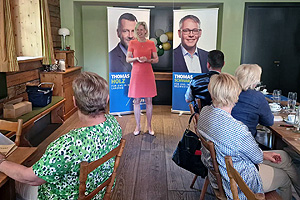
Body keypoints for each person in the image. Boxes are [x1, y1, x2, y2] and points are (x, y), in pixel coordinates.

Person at [0, 72, 122, 199]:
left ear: (75, 102)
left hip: (60, 196)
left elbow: (30, 178)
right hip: (98, 193)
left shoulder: (68, 144)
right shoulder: (113, 124)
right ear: (107, 98)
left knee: (15, 183)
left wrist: (1, 163)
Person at [198, 73, 300, 200]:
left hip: (217, 174)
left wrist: (264, 154)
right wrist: (261, 154)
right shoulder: (237, 129)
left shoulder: (205, 112)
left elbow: (253, 154)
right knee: (284, 178)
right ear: (235, 96)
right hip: (236, 180)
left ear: (212, 92)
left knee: (284, 157)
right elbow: (256, 158)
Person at [126, 21, 158, 136]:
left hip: (148, 73)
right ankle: (138, 126)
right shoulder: (132, 43)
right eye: (137, 30)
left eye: (142, 30)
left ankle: (149, 125)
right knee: (137, 101)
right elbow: (128, 59)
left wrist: (147, 60)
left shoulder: (151, 43)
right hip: (136, 74)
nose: (140, 32)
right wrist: (136, 59)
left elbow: (156, 59)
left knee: (149, 101)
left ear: (145, 31)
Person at [231, 64, 274, 138]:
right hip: (245, 142)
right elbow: (268, 122)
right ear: (254, 81)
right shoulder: (257, 97)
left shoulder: (228, 92)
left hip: (226, 140)